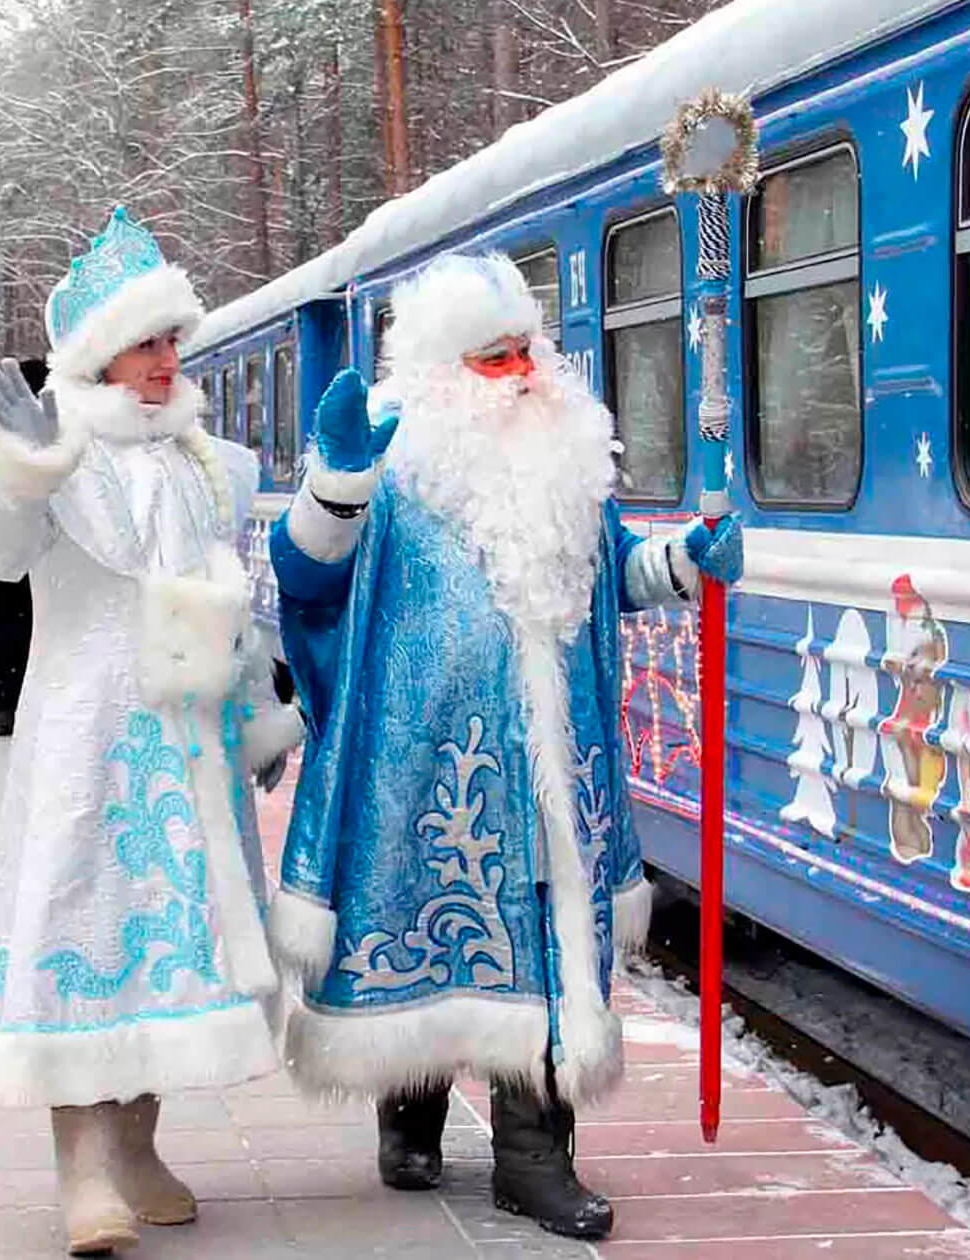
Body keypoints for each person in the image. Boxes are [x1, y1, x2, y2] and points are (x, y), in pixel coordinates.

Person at [266, 253, 743, 1241]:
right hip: (423, 763)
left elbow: (614, 573)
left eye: (526, 349)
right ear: (444, 371)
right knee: (427, 929)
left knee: (539, 934)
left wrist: (684, 566)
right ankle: (410, 1107)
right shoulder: (392, 466)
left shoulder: (564, 458)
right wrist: (333, 488)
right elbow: (308, 586)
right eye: (494, 358)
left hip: (552, 763)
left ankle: (534, 1157)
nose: (523, 371)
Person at [0, 206, 303, 1257]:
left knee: (174, 949)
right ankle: (83, 1170)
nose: (166, 360)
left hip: (189, 748)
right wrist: (26, 463)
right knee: (85, 930)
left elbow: (222, 599)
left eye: (171, 340)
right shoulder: (47, 453)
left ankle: (138, 1148)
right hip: (86, 739)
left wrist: (258, 719)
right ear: (100, 353)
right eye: (147, 342)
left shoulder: (209, 464)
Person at [0, 359, 45, 739]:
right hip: (26, 568)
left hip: (3, 570)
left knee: (3, 635)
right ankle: (8, 705)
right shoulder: (60, 441)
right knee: (25, 635)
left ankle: (2, 706)